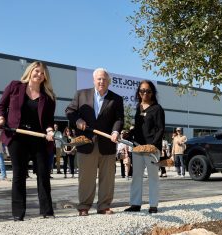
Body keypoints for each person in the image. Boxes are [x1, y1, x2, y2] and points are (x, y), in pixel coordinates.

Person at [0, 61, 56, 221]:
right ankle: (18, 213)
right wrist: (1, 120)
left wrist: (50, 131)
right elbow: (2, 105)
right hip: (17, 136)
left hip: (39, 138)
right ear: (30, 71)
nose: (39, 75)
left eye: (42, 73)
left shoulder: (48, 97)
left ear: (45, 77)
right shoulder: (15, 86)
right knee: (19, 174)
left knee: (43, 174)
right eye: (37, 71)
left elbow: (49, 120)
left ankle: (47, 211)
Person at [66, 68, 124, 216]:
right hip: (86, 143)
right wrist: (77, 120)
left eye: (104, 79)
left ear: (109, 82)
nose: (101, 81)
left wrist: (116, 131)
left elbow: (119, 119)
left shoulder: (116, 99)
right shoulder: (81, 95)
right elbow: (69, 111)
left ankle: (104, 205)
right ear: (93, 80)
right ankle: (84, 206)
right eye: (99, 79)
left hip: (107, 143)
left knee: (107, 177)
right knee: (86, 177)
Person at [124, 80, 165, 214]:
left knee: (153, 177)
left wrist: (153, 146)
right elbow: (138, 128)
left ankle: (153, 205)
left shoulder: (157, 109)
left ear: (152, 93)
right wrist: (129, 134)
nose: (145, 93)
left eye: (148, 91)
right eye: (142, 91)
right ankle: (135, 204)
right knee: (136, 176)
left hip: (151, 149)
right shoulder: (138, 107)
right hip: (137, 147)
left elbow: (160, 129)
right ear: (138, 92)